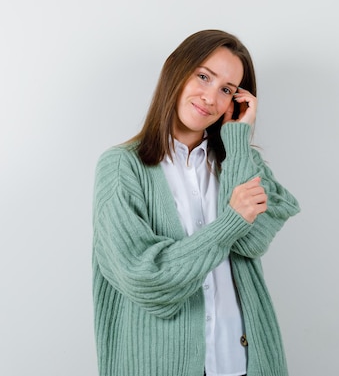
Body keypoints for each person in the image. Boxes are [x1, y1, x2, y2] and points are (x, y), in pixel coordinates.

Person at [92, 29, 300, 376]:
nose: (211, 97)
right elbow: (147, 278)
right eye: (203, 76)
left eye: (227, 90)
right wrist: (231, 219)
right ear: (175, 69)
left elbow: (253, 240)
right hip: (158, 364)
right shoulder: (121, 167)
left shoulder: (239, 161)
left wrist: (237, 142)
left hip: (244, 363)